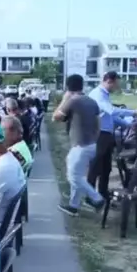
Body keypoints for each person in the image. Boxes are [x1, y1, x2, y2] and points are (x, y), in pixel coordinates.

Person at [52, 74, 104, 216]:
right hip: (91, 144)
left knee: (74, 177)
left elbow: (56, 117)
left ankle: (97, 198)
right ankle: (73, 206)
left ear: (67, 87)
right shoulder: (92, 102)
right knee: (79, 175)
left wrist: (64, 99)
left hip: (79, 145)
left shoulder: (73, 101)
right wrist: (94, 139)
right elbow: (98, 124)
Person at [87, 71, 137, 199]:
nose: (117, 88)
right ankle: (90, 196)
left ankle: (103, 193)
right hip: (99, 134)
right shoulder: (98, 94)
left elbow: (109, 117)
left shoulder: (104, 95)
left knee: (106, 167)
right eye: (116, 84)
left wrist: (127, 125)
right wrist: (132, 113)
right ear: (109, 81)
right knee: (95, 167)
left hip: (106, 135)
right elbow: (112, 111)